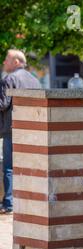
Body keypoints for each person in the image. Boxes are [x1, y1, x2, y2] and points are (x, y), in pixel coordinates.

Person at [0, 49, 41, 214]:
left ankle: (9, 203)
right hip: (33, 130)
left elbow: (2, 104)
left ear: (16, 62)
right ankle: (28, 202)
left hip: (12, 129)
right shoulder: (34, 80)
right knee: (29, 166)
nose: (4, 62)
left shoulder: (9, 79)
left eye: (6, 59)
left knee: (9, 168)